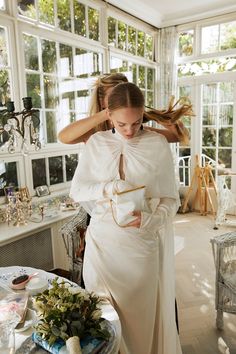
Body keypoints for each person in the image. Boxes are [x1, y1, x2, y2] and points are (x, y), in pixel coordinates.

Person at [70, 82, 182, 354]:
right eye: (122, 124)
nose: (130, 130)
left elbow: (171, 199)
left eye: (137, 122)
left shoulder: (156, 144)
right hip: (101, 249)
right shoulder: (96, 143)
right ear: (108, 115)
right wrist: (106, 188)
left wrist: (149, 220)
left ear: (144, 114)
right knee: (103, 319)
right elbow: (78, 190)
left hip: (141, 248)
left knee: (137, 325)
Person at [58, 72, 192, 145]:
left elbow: (180, 136)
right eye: (114, 97)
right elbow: (64, 137)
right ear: (102, 101)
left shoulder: (134, 130)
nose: (121, 101)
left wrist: (158, 117)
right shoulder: (94, 133)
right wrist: (106, 114)